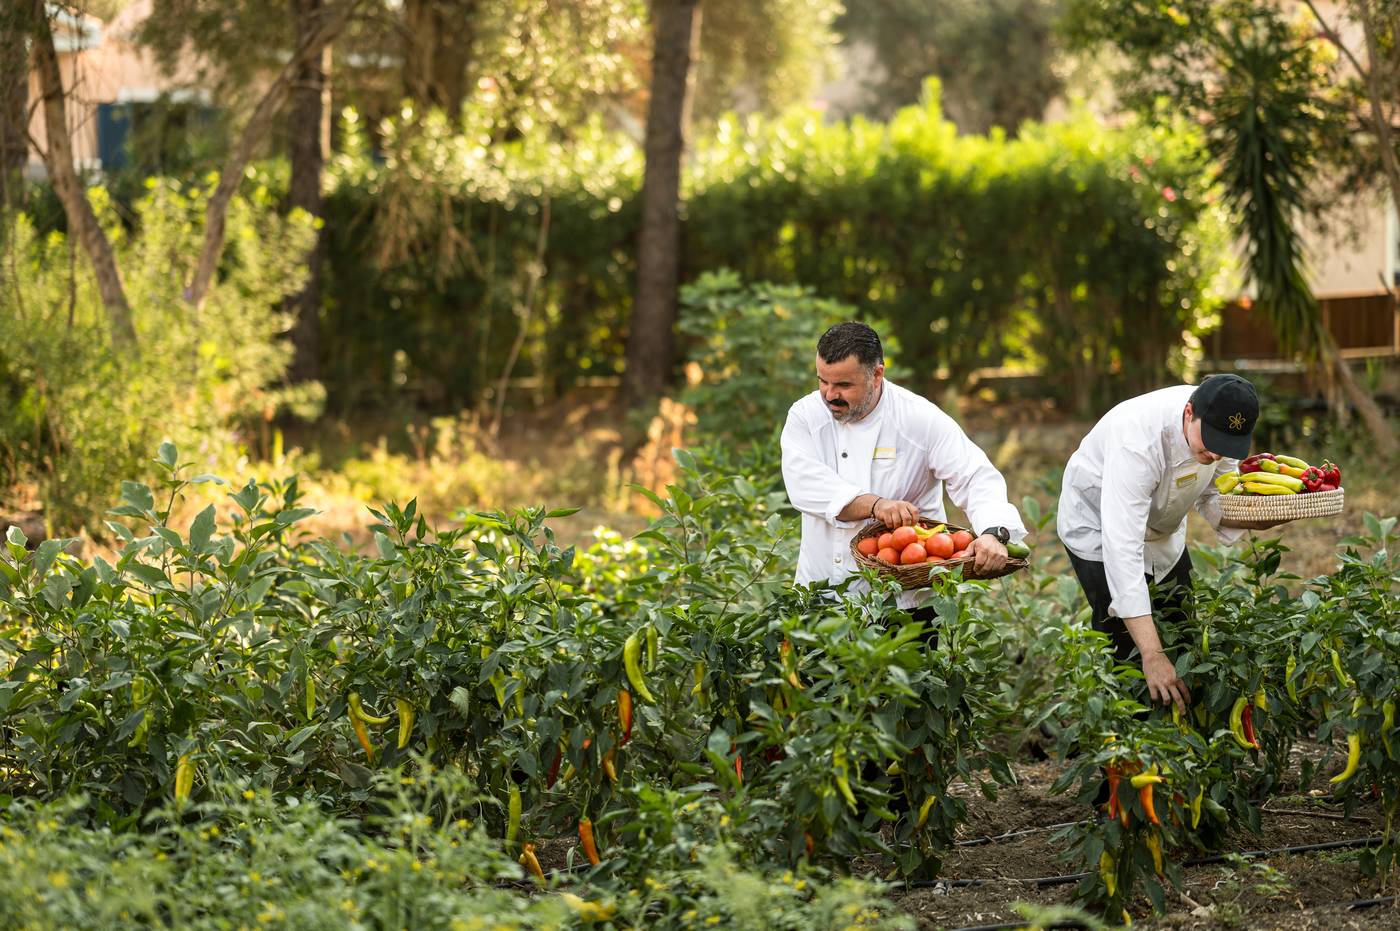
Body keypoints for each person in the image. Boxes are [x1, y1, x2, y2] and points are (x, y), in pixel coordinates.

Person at [780, 322, 1028, 619]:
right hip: (821, 594)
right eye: (823, 381)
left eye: (844, 385)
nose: (829, 394)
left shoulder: (918, 419)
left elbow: (974, 475)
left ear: (877, 375)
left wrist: (993, 531)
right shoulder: (805, 416)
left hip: (907, 604)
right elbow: (804, 484)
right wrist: (876, 505)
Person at [1057, 374, 1261, 713]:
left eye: (1224, 446)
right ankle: (1114, 734)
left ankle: (1181, 733)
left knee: (1183, 631)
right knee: (1127, 649)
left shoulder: (1219, 436)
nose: (1213, 453)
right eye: (1208, 440)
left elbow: (1213, 499)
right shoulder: (1137, 441)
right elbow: (1122, 548)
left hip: (1163, 529)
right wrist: (1153, 655)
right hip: (1097, 528)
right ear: (1188, 412)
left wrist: (1260, 519)